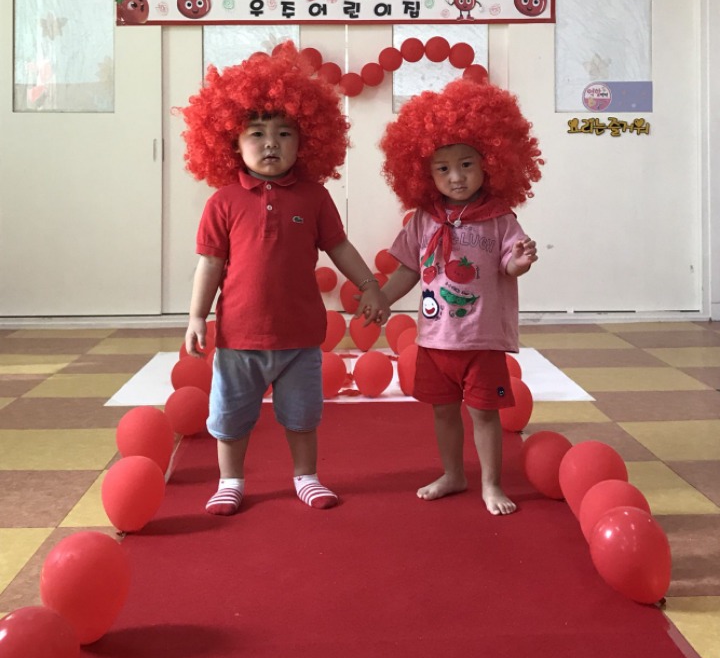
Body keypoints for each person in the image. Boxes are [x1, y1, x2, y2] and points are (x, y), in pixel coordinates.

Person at [180, 42, 387, 515]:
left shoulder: (314, 197)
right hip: (239, 337)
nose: (271, 143)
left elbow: (339, 247)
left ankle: (306, 476)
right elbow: (209, 263)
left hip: (300, 338)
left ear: (306, 140)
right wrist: (196, 317)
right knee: (230, 418)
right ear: (230, 142)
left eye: (284, 133)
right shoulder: (223, 202)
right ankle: (230, 480)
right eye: (256, 133)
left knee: (302, 416)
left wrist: (370, 285)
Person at [378, 76, 543, 515]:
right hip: (435, 340)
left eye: (467, 164)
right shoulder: (423, 218)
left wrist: (520, 261)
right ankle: (453, 473)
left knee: (485, 414)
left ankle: (491, 484)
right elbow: (409, 269)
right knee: (443, 411)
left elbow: (509, 265)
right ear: (424, 173)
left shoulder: (500, 218)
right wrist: (382, 299)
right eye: (443, 168)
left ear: (491, 162)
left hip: (480, 339)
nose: (456, 177)